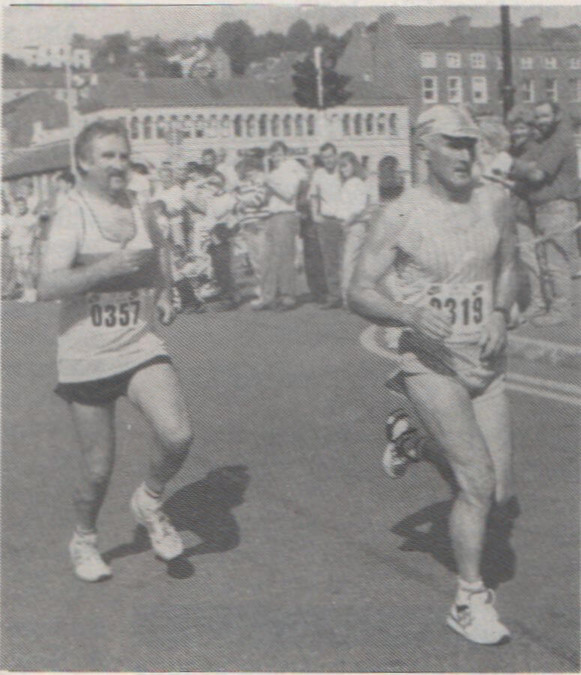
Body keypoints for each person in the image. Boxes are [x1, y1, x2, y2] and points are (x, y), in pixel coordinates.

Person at [349, 105, 518, 645]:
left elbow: (509, 267)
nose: (465, 154)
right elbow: (359, 290)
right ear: (425, 148)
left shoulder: (496, 201)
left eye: (470, 144)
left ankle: (414, 444)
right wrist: (409, 314)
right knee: (476, 482)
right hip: (431, 361)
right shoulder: (401, 214)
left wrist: (496, 313)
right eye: (452, 143)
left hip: (485, 364)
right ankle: (470, 599)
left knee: (496, 491)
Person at [37, 120, 193, 582]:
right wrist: (106, 267)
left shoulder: (140, 206)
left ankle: (149, 501)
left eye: (123, 155)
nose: (118, 165)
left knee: (178, 435)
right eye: (107, 157)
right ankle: (84, 537)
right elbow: (47, 284)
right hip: (87, 355)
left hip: (138, 344)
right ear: (84, 162)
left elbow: (159, 250)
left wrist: (165, 291)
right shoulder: (73, 213)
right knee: (98, 470)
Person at [506, 101, 580, 326]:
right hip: (542, 209)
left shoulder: (560, 139)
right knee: (546, 262)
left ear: (556, 115)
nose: (540, 121)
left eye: (545, 116)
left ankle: (561, 311)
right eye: (537, 117)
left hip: (556, 207)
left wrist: (507, 165)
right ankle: (549, 306)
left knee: (557, 262)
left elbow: (537, 174)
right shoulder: (546, 141)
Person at [256, 141, 305, 311]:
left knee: (285, 257)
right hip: (271, 215)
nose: (275, 157)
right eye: (273, 154)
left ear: (285, 154)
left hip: (285, 215)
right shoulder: (274, 172)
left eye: (278, 154)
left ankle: (288, 296)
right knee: (268, 258)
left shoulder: (291, 168)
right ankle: (268, 296)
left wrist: (270, 183)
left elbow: (289, 193)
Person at [309, 143, 344, 309]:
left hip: (345, 220)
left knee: (347, 259)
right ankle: (335, 295)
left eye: (330, 156)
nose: (328, 160)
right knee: (330, 261)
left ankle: (348, 296)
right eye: (325, 158)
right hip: (327, 221)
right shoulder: (319, 174)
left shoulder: (344, 171)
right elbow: (314, 196)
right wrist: (315, 215)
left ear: (336, 155)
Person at [336, 151, 369, 304]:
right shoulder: (348, 183)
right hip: (348, 224)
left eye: (345, 166)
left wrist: (347, 223)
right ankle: (351, 298)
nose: (343, 170)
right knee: (350, 262)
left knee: (349, 262)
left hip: (355, 225)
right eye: (341, 167)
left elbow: (358, 208)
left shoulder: (356, 183)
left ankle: (348, 299)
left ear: (354, 165)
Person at [8, 196, 39, 303]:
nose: (20, 207)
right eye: (18, 205)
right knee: (20, 271)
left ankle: (32, 294)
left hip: (26, 249)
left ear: (26, 205)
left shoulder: (31, 218)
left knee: (27, 271)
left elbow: (36, 234)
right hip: (16, 248)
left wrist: (31, 248)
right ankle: (26, 294)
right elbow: (11, 233)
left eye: (22, 205)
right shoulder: (14, 218)